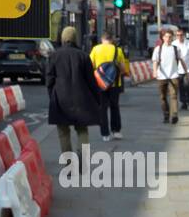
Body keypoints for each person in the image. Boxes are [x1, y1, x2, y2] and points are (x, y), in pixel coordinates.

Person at [46, 26, 102, 159]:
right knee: (82, 131)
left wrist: (52, 97)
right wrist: (97, 98)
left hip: (61, 99)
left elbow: (49, 80)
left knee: (63, 133)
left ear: (63, 38)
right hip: (81, 100)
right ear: (75, 38)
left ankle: (69, 165)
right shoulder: (83, 56)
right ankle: (83, 160)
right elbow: (91, 81)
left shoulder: (55, 56)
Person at [90, 34, 131, 142]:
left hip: (100, 84)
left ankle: (105, 134)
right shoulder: (118, 50)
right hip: (114, 84)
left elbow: (90, 66)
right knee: (114, 107)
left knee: (102, 108)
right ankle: (116, 131)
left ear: (102, 39)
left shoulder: (95, 49)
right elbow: (122, 68)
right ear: (112, 40)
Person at [152, 27, 189, 124]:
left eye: (170, 37)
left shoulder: (175, 49)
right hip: (162, 77)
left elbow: (182, 61)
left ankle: (174, 115)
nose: (168, 39)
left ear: (172, 38)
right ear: (163, 38)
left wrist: (187, 73)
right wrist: (155, 71)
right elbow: (155, 62)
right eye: (166, 37)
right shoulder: (158, 49)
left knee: (173, 96)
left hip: (173, 76)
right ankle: (166, 114)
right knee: (163, 97)